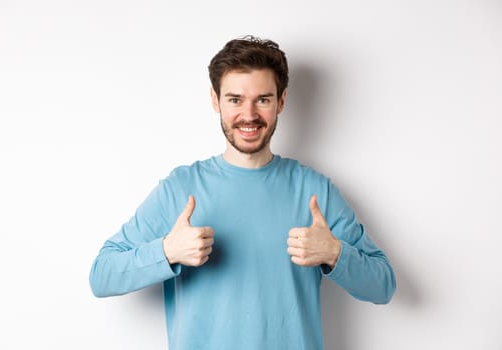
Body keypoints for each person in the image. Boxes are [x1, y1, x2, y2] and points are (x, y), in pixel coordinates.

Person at [89, 35, 396, 349]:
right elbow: (102, 276)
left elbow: (383, 285)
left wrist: (334, 253)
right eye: (235, 99)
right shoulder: (180, 188)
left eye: (262, 99)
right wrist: (167, 252)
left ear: (282, 101)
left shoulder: (315, 190)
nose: (248, 115)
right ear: (215, 100)